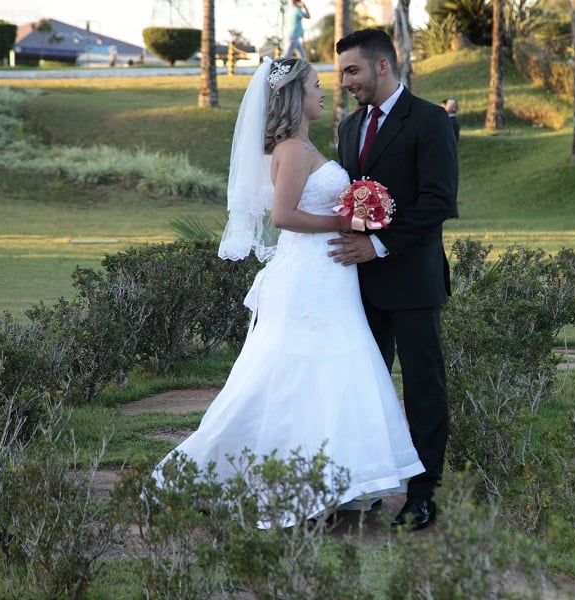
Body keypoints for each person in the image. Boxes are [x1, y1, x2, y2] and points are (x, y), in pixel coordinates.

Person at [153, 57, 425, 527]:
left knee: (328, 377)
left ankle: (327, 483)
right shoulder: (294, 150)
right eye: (318, 86)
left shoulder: (301, 144)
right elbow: (283, 217)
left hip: (328, 276)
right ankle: (232, 476)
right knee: (295, 376)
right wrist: (345, 221)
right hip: (310, 279)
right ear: (297, 96)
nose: (326, 92)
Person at [329, 29, 459, 530]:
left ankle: (423, 495)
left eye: (352, 71)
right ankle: (363, 488)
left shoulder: (430, 120)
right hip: (356, 286)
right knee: (364, 386)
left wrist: (380, 243)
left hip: (413, 280)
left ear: (383, 66)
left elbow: (438, 200)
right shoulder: (347, 128)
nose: (344, 82)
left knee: (423, 386)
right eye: (341, 73)